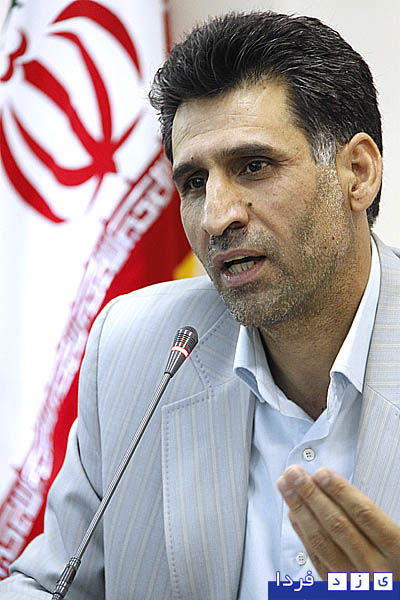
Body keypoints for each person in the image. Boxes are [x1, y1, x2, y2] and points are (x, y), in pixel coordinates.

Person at [1, 10, 400, 599]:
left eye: (254, 167)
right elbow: (52, 583)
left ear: (357, 173)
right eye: (193, 182)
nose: (217, 217)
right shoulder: (137, 348)